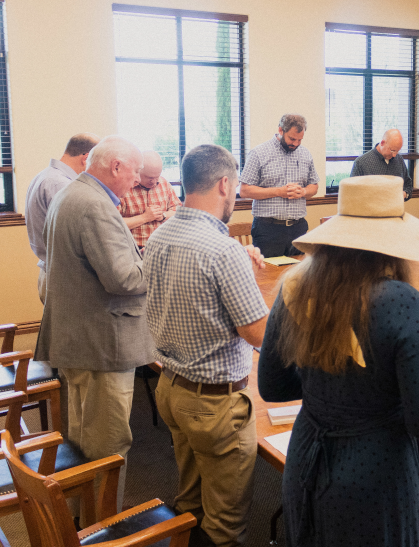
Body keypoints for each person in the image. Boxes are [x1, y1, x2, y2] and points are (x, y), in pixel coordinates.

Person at [258, 175, 419, 547]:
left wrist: (326, 384)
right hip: (376, 474)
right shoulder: (400, 301)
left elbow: (273, 386)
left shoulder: (295, 286)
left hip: (308, 458)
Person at [145, 144, 269, 547]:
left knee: (191, 500)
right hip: (214, 406)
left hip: (172, 389)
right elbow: (260, 335)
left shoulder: (160, 236)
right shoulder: (223, 249)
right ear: (224, 183)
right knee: (225, 525)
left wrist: (241, 272)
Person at [35, 135, 150, 510]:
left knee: (84, 442)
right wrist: (160, 264)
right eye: (135, 172)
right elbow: (125, 280)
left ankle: (79, 523)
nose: (138, 180)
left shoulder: (74, 193)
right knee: (108, 448)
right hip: (101, 344)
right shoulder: (94, 205)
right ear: (116, 167)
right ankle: (102, 528)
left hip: (79, 340)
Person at [25, 133, 99, 302]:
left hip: (51, 270)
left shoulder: (44, 175)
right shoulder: (61, 184)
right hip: (63, 276)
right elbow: (76, 233)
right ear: (86, 158)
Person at [239, 113, 320, 257]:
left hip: (298, 229)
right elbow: (244, 190)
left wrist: (303, 192)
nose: (295, 144)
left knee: (299, 276)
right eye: (292, 139)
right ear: (281, 130)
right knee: (267, 277)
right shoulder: (259, 153)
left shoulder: (305, 154)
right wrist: (278, 192)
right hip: (268, 230)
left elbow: (314, 186)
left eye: (300, 140)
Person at [119, 150, 181, 250]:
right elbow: (115, 223)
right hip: (134, 249)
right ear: (138, 171)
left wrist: (163, 216)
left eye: (157, 176)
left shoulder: (164, 183)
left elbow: (178, 211)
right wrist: (145, 217)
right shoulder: (124, 188)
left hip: (164, 246)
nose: (154, 181)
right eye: (150, 178)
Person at [349, 128, 413, 200]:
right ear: (382, 143)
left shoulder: (399, 160)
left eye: (397, 151)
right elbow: (352, 194)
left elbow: (408, 185)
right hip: (370, 210)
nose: (394, 155)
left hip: (395, 210)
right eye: (392, 150)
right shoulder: (361, 163)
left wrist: (404, 194)